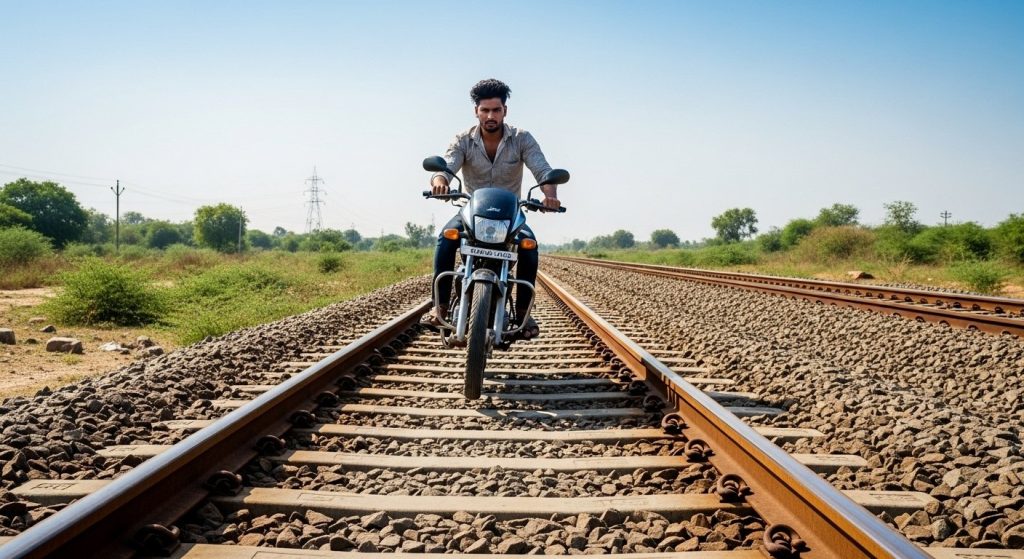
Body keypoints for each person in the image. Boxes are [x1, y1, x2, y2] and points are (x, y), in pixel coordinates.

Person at [426, 78, 562, 339]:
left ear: (505, 111)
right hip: (471, 212)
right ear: (476, 111)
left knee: (529, 246)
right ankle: (439, 306)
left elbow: (542, 170)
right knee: (445, 238)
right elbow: (446, 167)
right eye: (485, 110)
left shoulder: (522, 139)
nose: (490, 116)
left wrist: (550, 196)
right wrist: (440, 182)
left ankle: (523, 312)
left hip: (511, 215)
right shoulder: (463, 139)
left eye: (496, 110)